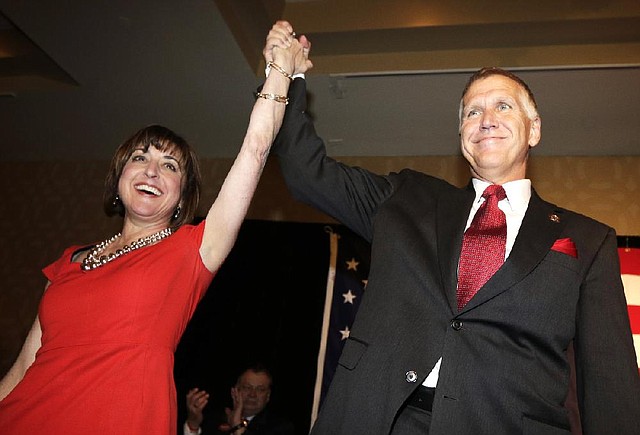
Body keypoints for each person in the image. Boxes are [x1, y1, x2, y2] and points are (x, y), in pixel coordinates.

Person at [264, 21, 640, 435]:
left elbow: (610, 386)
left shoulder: (588, 240)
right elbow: (304, 171)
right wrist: (289, 74)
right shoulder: (406, 197)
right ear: (461, 133)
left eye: (503, 106)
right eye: (472, 112)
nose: (486, 119)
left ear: (534, 129)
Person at [0, 25, 310, 434]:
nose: (152, 170)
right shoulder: (70, 262)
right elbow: (23, 367)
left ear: (183, 197)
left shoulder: (192, 249)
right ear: (119, 178)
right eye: (140, 158)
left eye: (170, 166)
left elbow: (255, 148)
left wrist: (279, 71)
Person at [183, 363, 295, 435]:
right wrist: (193, 424)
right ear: (235, 390)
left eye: (260, 389)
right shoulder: (214, 420)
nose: (252, 394)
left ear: (268, 396)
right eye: (247, 387)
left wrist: (237, 426)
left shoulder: (281, 428)